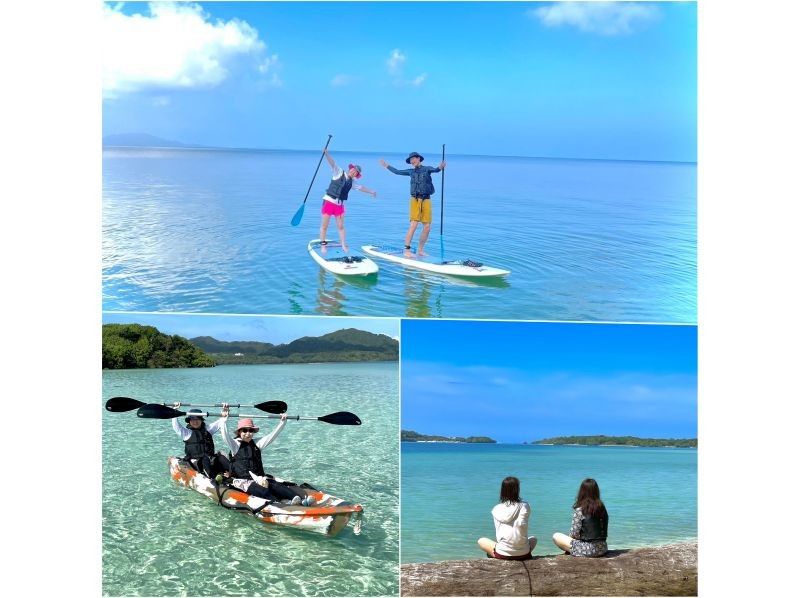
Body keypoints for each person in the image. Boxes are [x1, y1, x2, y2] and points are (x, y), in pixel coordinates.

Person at [219, 413, 314, 505]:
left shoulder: (257, 443)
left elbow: (272, 436)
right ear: (239, 432)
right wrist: (224, 420)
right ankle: (281, 505)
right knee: (262, 490)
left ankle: (301, 500)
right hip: (243, 481)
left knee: (275, 485)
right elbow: (225, 436)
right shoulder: (235, 445)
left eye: (250, 431)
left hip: (259, 478)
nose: (248, 433)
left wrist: (282, 422)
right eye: (244, 430)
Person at [378, 151, 446, 257]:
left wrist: (440, 167)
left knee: (427, 226)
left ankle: (420, 250)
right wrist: (387, 166)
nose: (411, 161)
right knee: (414, 224)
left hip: (426, 200)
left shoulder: (427, 169)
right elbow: (396, 171)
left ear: (418, 158)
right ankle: (406, 250)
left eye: (413, 159)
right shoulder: (410, 171)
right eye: (410, 160)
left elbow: (436, 170)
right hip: (415, 200)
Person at [320, 148, 377, 252]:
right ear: (350, 169)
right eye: (354, 170)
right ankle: (323, 245)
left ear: (357, 175)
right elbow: (332, 163)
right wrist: (326, 154)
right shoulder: (338, 172)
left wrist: (372, 192)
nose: (354, 172)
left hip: (339, 205)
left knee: (341, 226)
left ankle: (343, 245)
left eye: (356, 172)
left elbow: (361, 188)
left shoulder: (352, 182)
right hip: (329, 201)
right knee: (325, 225)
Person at [477, 476, 537, 560]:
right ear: (517, 490)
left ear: (502, 491)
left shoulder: (496, 509)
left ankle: (495, 555)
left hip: (503, 554)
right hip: (524, 554)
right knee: (534, 539)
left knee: (481, 540)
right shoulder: (525, 506)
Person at [552, 478, 609, 557]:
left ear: (582, 492)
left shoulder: (580, 510)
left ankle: (573, 551)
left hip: (588, 550)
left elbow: (574, 534)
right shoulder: (602, 508)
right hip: (603, 548)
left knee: (556, 536)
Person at [171, 407, 229, 480]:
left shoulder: (208, 429)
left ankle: (233, 474)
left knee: (221, 457)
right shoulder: (186, 433)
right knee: (205, 460)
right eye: (193, 419)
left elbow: (220, 422)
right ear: (189, 421)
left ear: (201, 420)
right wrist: (175, 411)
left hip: (209, 458)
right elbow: (176, 426)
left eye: (197, 419)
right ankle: (213, 479)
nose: (195, 422)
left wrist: (224, 413)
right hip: (195, 461)